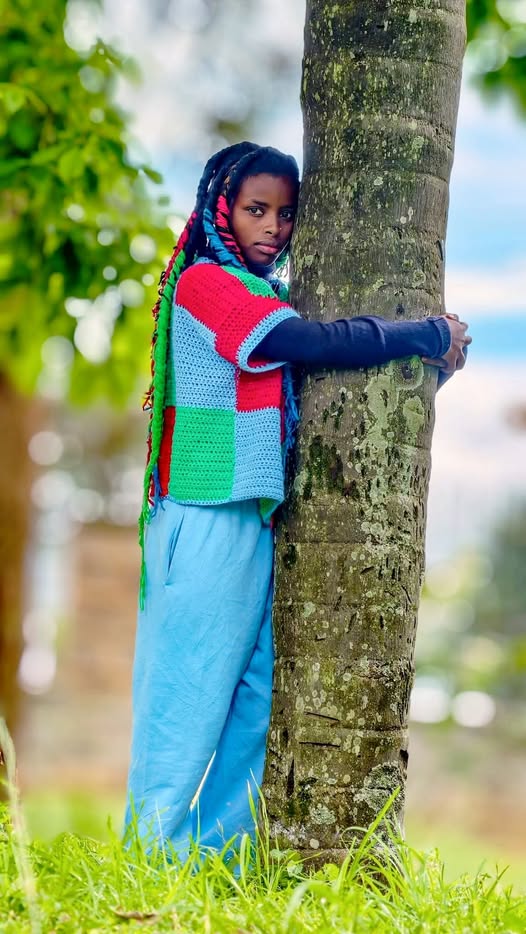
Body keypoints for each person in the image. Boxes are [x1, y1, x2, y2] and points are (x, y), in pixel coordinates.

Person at [124, 141, 471, 860]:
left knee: (257, 704)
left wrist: (428, 370)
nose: (274, 228)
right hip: (200, 515)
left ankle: (209, 859)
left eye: (287, 214)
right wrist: (421, 332)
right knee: (185, 703)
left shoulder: (265, 297)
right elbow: (305, 342)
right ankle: (148, 860)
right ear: (222, 208)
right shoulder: (204, 286)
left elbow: (310, 395)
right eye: (257, 210)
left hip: (250, 518)